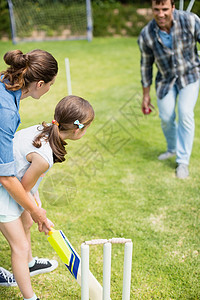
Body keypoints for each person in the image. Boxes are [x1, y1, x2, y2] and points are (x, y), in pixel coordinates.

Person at [0, 95, 95, 300]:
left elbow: (26, 178)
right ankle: (30, 297)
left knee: (26, 222)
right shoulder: (44, 156)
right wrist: (38, 212)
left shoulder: (42, 129)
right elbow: (23, 187)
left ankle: (30, 263)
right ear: (78, 129)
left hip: (12, 185)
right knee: (20, 246)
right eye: (86, 127)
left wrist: (35, 201)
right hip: (4, 191)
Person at [0, 49, 58, 287]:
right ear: (40, 83)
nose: (50, 89)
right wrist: (36, 211)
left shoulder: (6, 87)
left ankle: (29, 261)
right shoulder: (6, 111)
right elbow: (5, 177)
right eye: (51, 84)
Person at [138, 0, 200, 179]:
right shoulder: (147, 34)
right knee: (166, 117)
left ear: (173, 7)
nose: (161, 14)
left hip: (190, 76)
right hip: (165, 81)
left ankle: (183, 162)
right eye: (156, 9)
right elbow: (146, 66)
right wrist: (145, 95)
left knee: (185, 112)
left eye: (165, 9)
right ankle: (172, 148)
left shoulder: (190, 20)